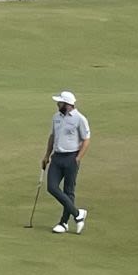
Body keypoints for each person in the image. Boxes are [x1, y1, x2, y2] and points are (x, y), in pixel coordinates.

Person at [41, 90, 91, 234]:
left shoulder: (80, 119)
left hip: (71, 157)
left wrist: (78, 158)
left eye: (60, 102)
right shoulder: (56, 117)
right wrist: (46, 155)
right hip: (57, 157)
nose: (58, 104)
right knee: (52, 187)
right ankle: (78, 214)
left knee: (69, 191)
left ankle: (63, 223)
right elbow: (52, 136)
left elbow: (86, 140)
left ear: (68, 104)